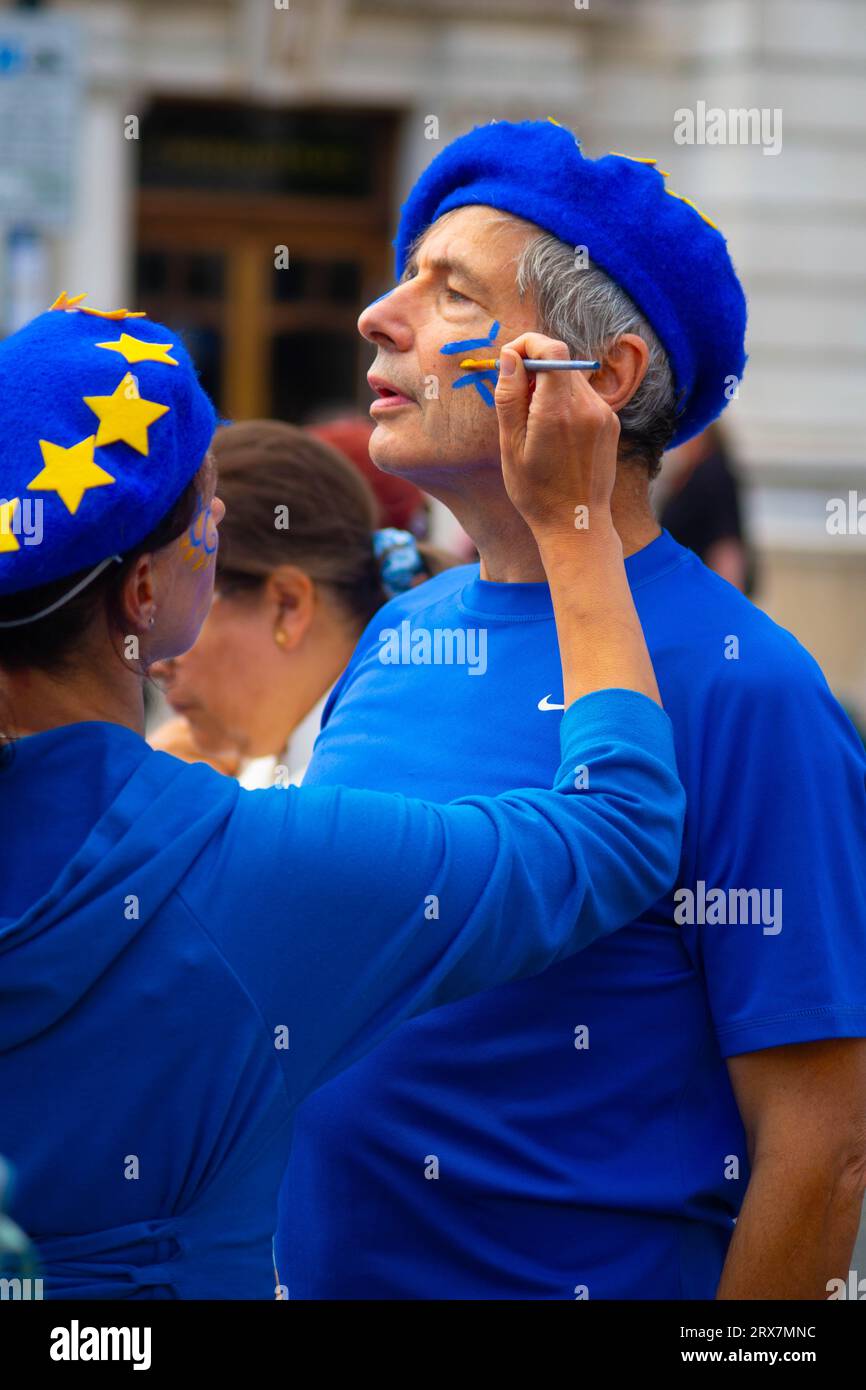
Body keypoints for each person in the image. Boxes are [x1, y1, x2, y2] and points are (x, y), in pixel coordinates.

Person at [281, 119, 866, 1301]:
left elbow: (823, 1151)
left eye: (449, 293)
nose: (376, 317)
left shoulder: (748, 686)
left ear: (599, 382)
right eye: (404, 278)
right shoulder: (402, 630)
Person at [0, 296, 684, 1298]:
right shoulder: (245, 871)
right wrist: (573, 526)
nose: (222, 517)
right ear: (142, 595)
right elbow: (615, 836)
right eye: (205, 502)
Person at [150, 420, 452, 786]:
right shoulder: (288, 770)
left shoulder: (362, 790)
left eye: (170, 612)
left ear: (287, 605)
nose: (158, 665)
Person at [658, 423, 756, 594]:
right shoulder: (688, 474)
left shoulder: (713, 475)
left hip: (703, 591)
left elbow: (726, 545)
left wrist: (727, 604)